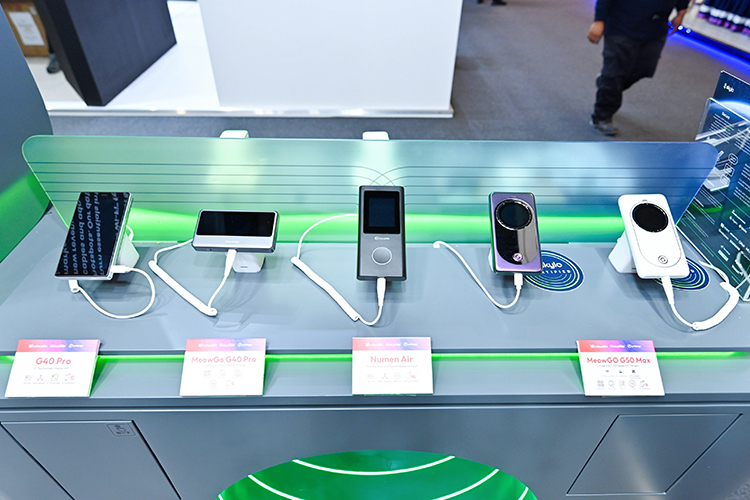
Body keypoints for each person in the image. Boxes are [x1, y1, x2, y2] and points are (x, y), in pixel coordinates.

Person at [587, 0, 689, 136]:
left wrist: (681, 12)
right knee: (615, 73)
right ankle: (602, 117)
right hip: (621, 25)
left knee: (644, 69)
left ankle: (605, 83)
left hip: (656, 29)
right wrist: (599, 20)